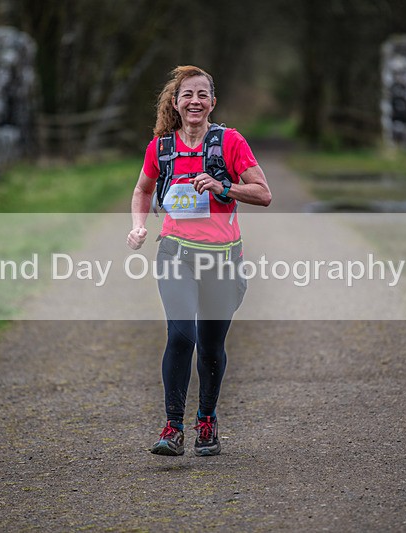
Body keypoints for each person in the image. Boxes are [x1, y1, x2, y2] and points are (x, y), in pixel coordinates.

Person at [126, 65, 271, 456]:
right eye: (187, 94)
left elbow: (263, 193)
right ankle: (172, 427)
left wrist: (223, 185)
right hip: (176, 252)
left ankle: (206, 420)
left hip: (222, 259)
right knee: (181, 335)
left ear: (212, 102)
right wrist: (139, 226)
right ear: (176, 102)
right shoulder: (161, 147)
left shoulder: (230, 142)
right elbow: (142, 190)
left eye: (202, 94)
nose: (195, 101)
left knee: (209, 346)